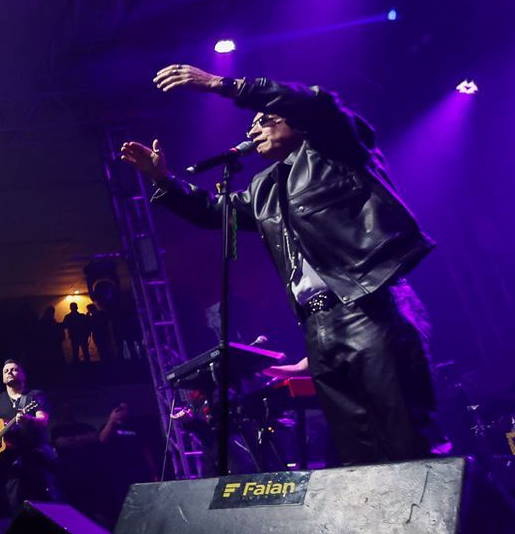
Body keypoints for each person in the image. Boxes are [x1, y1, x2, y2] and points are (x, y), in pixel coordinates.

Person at [120, 65, 440, 464]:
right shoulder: (265, 186)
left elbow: (313, 102)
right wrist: (164, 180)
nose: (253, 130)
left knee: (406, 434)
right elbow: (213, 212)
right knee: (357, 450)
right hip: (319, 326)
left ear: (299, 124)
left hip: (368, 305)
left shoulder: (336, 145)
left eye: (265, 119)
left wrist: (221, 85)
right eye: (253, 125)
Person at [0, 360, 55, 513]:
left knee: (44, 504)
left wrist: (29, 420)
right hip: (11, 464)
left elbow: (43, 420)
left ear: (23, 375)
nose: (9, 373)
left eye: (14, 370)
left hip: (35, 458)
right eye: (6, 371)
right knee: (16, 506)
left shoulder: (34, 396)